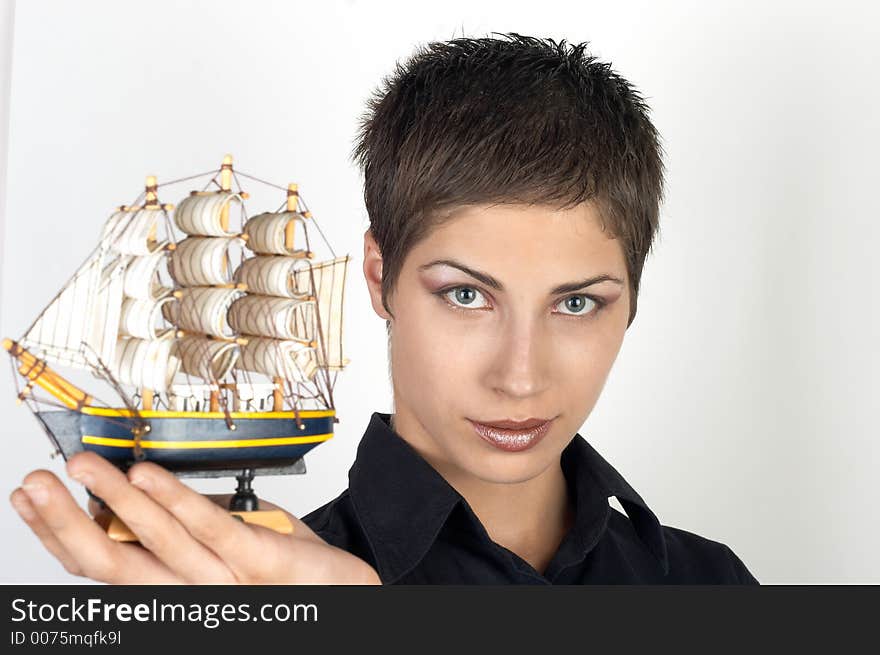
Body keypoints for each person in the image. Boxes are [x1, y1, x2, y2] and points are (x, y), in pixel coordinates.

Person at [8, 33, 758, 584]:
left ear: (632, 298)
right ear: (379, 277)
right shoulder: (254, 600)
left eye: (578, 303)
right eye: (467, 295)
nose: (521, 376)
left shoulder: (713, 584)